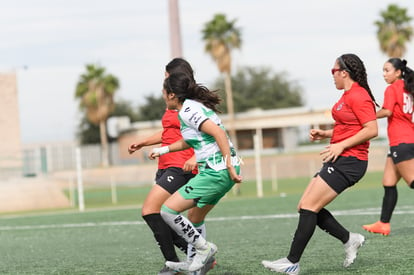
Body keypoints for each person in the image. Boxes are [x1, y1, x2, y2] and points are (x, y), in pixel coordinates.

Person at [262, 53, 378, 274]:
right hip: (340, 158)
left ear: (344, 72)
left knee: (309, 207)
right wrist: (326, 134)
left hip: (351, 161)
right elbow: (349, 128)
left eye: (333, 71)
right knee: (305, 207)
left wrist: (341, 145)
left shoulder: (359, 95)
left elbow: (372, 129)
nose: (332, 76)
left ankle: (292, 262)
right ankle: (349, 239)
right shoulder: (347, 96)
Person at [149, 71, 242, 273]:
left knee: (167, 211)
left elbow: (218, 133)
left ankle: (204, 248)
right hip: (217, 171)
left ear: (172, 94)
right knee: (195, 219)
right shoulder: (191, 108)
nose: (163, 96)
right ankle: (195, 261)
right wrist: (163, 150)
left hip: (216, 171)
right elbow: (190, 141)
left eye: (164, 92)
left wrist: (229, 166)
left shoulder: (187, 111)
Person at [129, 58, 215, 275]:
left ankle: (174, 264)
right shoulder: (172, 103)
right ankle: (199, 255)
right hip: (166, 164)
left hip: (180, 165)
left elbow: (207, 134)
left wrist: (196, 157)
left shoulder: (190, 104)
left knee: (150, 211)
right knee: (163, 217)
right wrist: (143, 142)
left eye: (166, 76)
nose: (164, 81)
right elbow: (169, 132)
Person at [362, 58, 414, 236]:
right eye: (383, 71)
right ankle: (383, 223)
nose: (384, 74)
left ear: (398, 72)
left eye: (387, 70)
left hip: (402, 142)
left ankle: (384, 223)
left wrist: (366, 117)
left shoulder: (392, 88)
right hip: (405, 140)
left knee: (412, 182)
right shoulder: (408, 88)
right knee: (388, 182)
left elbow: (387, 111)